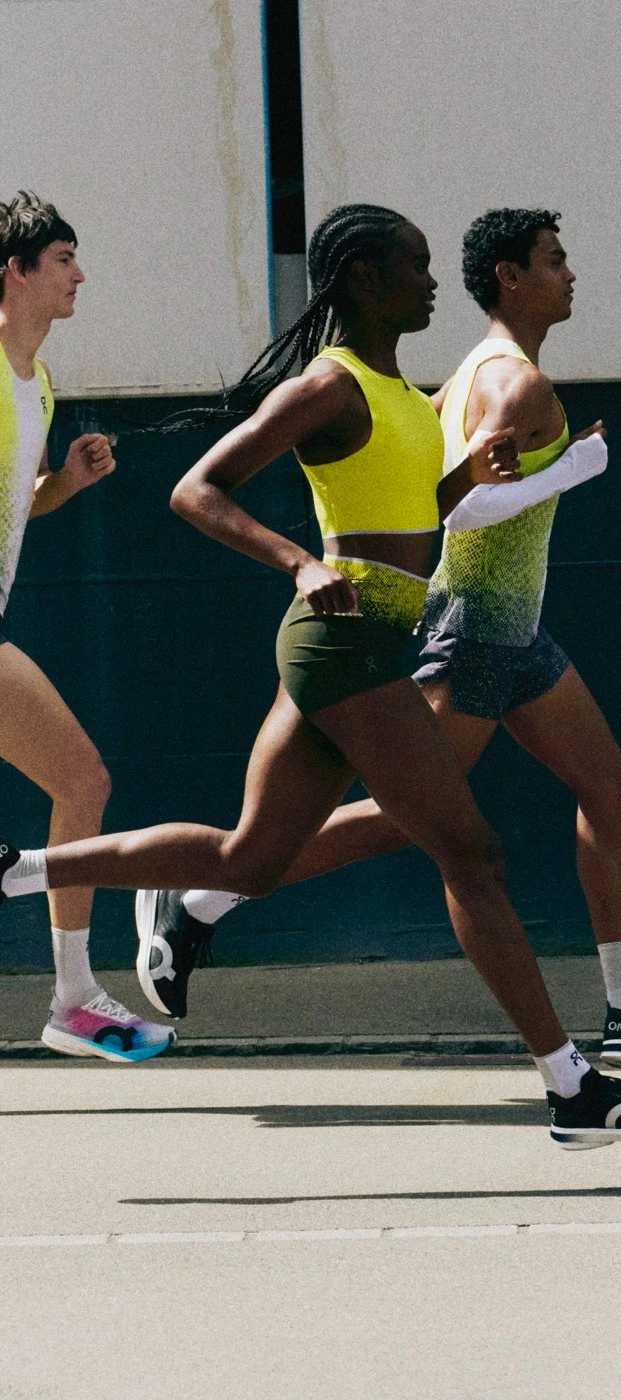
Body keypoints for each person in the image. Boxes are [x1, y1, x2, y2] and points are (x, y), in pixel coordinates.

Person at [1, 202, 621, 1145]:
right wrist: (299, 562)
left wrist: (471, 478)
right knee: (470, 852)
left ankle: (15, 872)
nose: (430, 280)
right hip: (344, 643)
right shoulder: (330, 385)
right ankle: (574, 1088)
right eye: (412, 266)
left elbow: (418, 516)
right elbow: (194, 490)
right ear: (364, 279)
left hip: (364, 644)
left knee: (252, 858)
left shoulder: (406, 398)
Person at [138, 208, 621, 1072]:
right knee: (417, 825)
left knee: (607, 786)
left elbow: (440, 491)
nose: (571, 275)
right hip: (475, 628)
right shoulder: (507, 383)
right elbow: (463, 510)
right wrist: (572, 469)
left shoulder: (465, 376)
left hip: (513, 629)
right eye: (554, 261)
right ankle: (201, 900)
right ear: (509, 276)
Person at [0, 191, 175, 1062]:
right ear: (16, 271)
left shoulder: (36, 384)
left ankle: (73, 998)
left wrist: (64, 483)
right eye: (63, 258)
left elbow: (18, 503)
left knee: (82, 781)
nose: (80, 275)